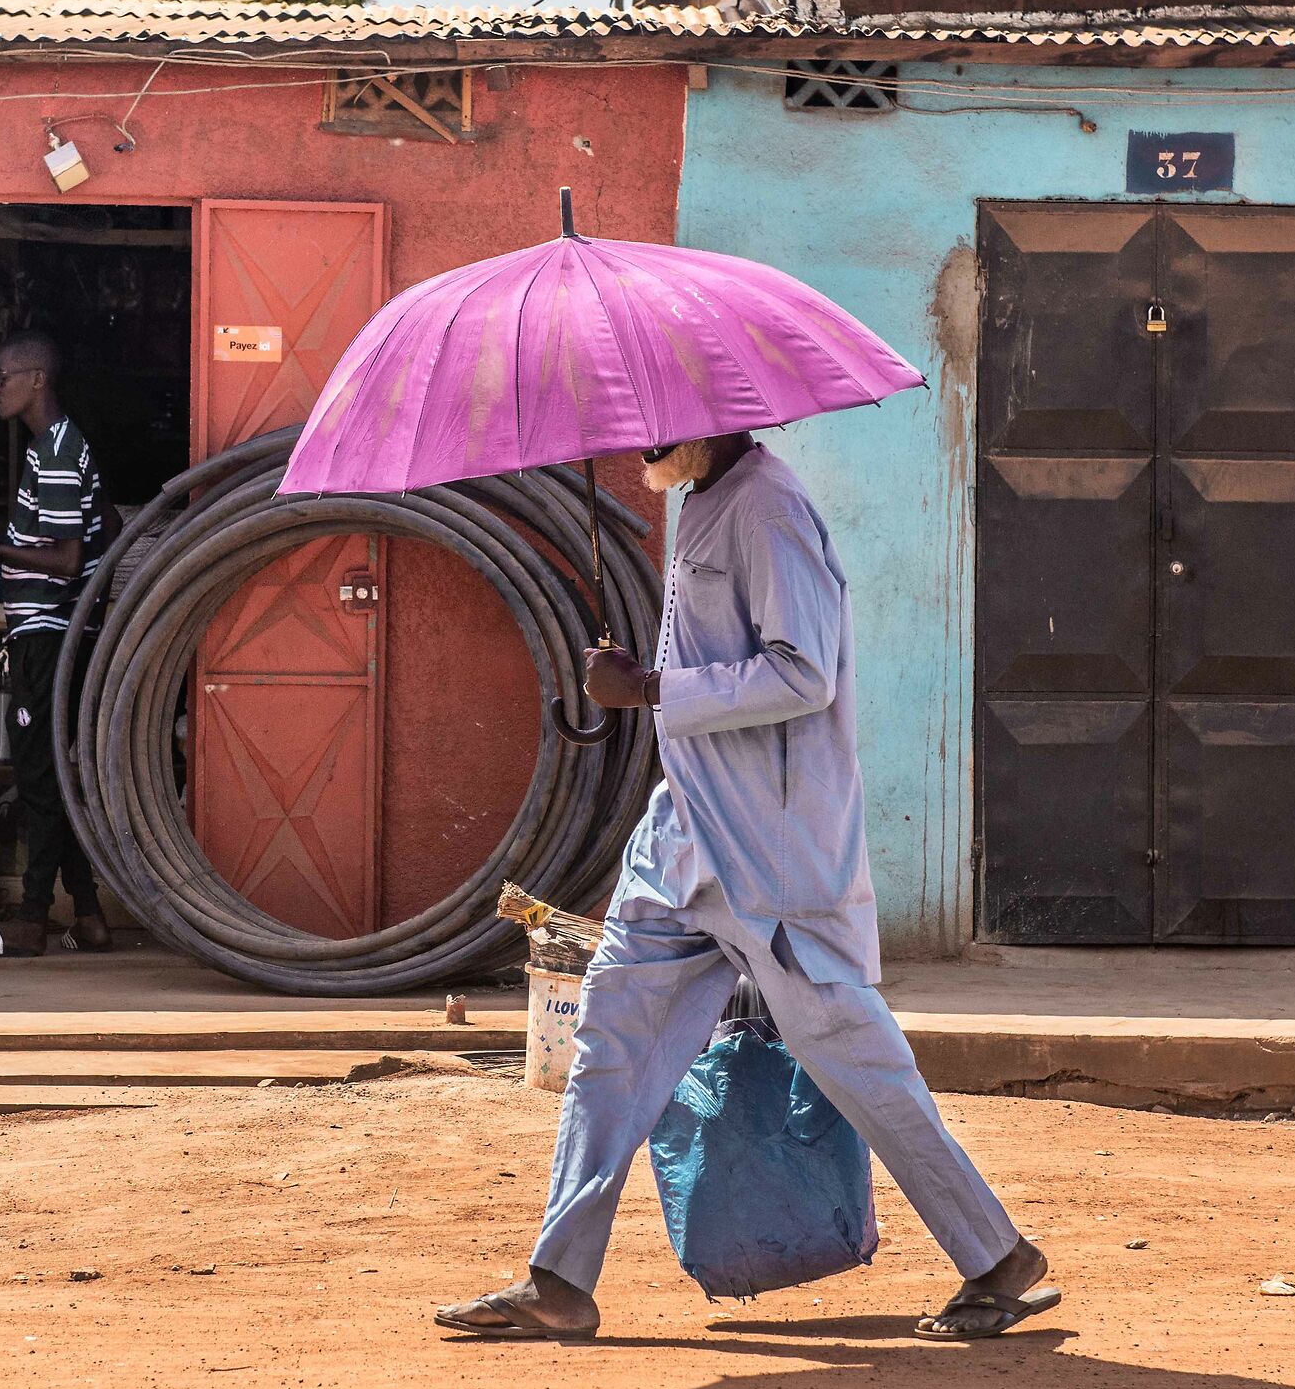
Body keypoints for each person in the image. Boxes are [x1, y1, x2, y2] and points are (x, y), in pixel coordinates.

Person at [437, 434, 1058, 1341]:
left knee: (852, 1056)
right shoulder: (702, 494)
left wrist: (647, 687)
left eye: (658, 420)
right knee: (611, 1038)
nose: (640, 440)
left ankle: (997, 1257)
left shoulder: (769, 508)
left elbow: (801, 672)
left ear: (713, 414)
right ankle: (559, 1280)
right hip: (685, 834)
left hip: (766, 848)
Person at [0, 331, 113, 958]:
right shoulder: (51, 450)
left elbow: (66, 561)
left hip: (51, 637)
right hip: (48, 635)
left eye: (1, 376)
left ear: (36, 379)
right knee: (51, 776)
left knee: (39, 779)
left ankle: (33, 920)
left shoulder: (59, 453)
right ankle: (88, 915)